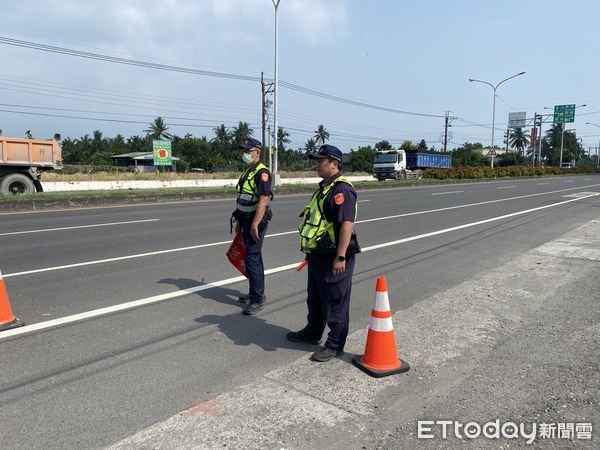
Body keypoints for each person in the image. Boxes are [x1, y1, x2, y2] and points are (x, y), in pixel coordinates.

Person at [288, 144, 359, 362]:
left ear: (334, 164)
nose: (317, 164)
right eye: (317, 160)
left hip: (334, 256)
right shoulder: (325, 188)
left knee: (335, 301)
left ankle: (335, 344)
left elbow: (347, 224)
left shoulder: (342, 190)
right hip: (319, 254)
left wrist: (341, 256)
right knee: (316, 297)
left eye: (321, 160)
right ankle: (312, 332)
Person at [232, 137, 272, 315]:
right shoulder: (249, 171)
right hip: (246, 220)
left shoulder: (261, 173)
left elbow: (264, 199)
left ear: (257, 152)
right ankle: (256, 292)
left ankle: (257, 299)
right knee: (253, 257)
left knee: (252, 258)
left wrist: (255, 224)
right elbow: (243, 197)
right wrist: (240, 222)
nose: (245, 154)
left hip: (255, 222)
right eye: (244, 151)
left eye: (248, 151)